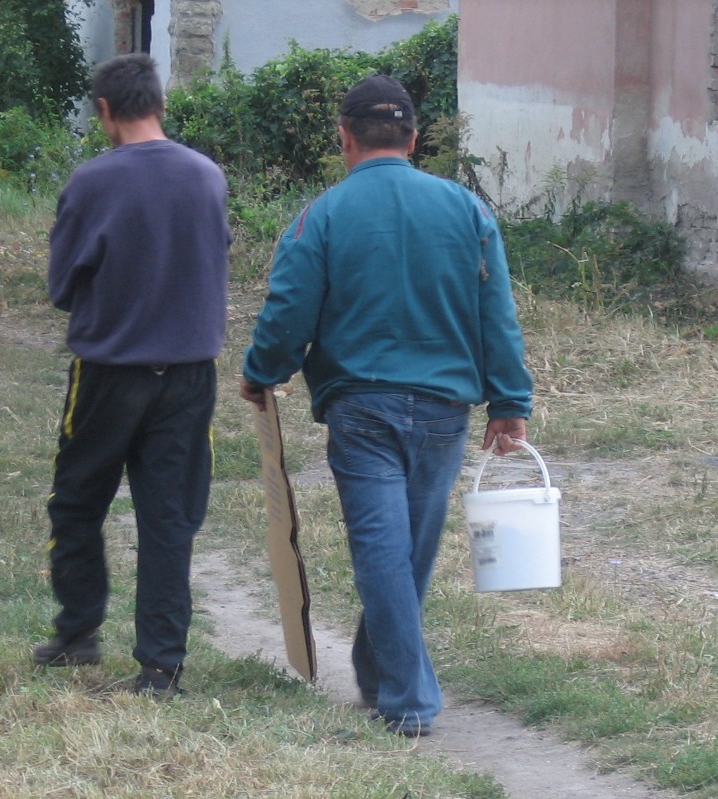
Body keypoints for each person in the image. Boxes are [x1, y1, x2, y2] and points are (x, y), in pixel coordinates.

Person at [241, 74, 533, 737]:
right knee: (407, 553)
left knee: (382, 551)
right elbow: (497, 312)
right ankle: (380, 676)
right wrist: (509, 401)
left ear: (344, 138)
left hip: (362, 407)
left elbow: (289, 311)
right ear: (414, 138)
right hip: (444, 410)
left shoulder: (322, 215)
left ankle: (406, 700)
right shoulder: (467, 210)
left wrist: (262, 372)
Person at [32, 52, 231, 697]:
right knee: (169, 517)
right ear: (160, 104)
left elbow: (62, 287)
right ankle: (161, 665)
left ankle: (78, 630)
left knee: (77, 501)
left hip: (108, 372)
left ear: (105, 110)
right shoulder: (207, 176)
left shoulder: (92, 181)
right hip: (189, 375)